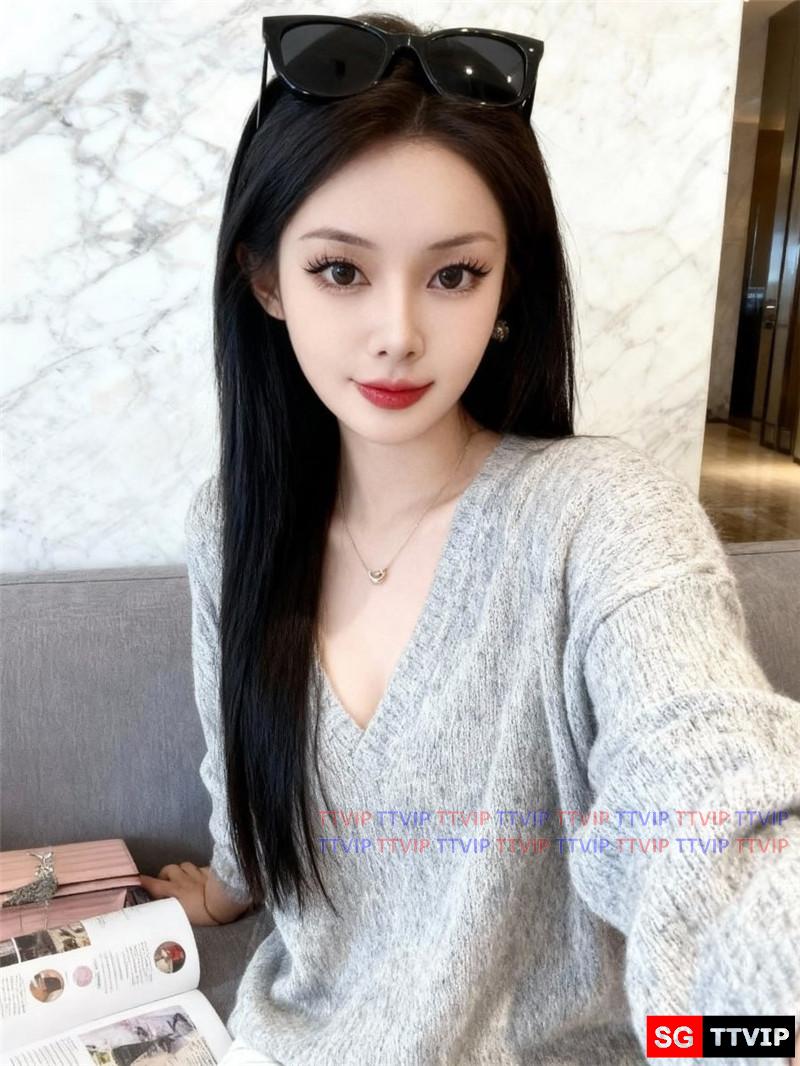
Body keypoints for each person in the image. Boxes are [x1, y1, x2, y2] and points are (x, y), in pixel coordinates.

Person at [139, 9, 800, 1065]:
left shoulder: (601, 515)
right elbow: (243, 758)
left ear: (505, 292)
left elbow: (709, 789)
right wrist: (228, 885)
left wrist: (749, 1026)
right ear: (266, 280)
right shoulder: (231, 524)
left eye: (453, 274)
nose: (398, 333)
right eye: (340, 270)